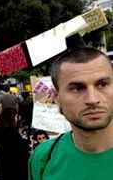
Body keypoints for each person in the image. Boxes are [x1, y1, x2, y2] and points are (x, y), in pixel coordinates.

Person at [29, 47, 113, 179]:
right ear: (57, 98)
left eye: (102, 84)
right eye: (77, 88)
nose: (92, 99)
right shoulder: (44, 157)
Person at [0, 108, 29, 180]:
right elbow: (20, 150)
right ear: (11, 118)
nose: (17, 119)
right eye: (16, 117)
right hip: (14, 168)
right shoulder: (12, 133)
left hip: (3, 167)